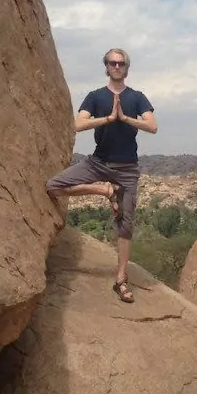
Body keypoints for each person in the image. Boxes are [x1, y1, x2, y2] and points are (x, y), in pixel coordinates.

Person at [46, 48, 157, 303]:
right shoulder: (95, 96)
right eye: (112, 63)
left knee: (126, 227)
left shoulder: (137, 97)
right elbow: (78, 124)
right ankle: (105, 191)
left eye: (121, 63)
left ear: (127, 68)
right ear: (106, 67)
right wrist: (108, 118)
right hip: (98, 163)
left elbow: (152, 126)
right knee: (53, 186)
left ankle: (121, 280)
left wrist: (126, 118)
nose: (117, 66)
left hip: (127, 169)